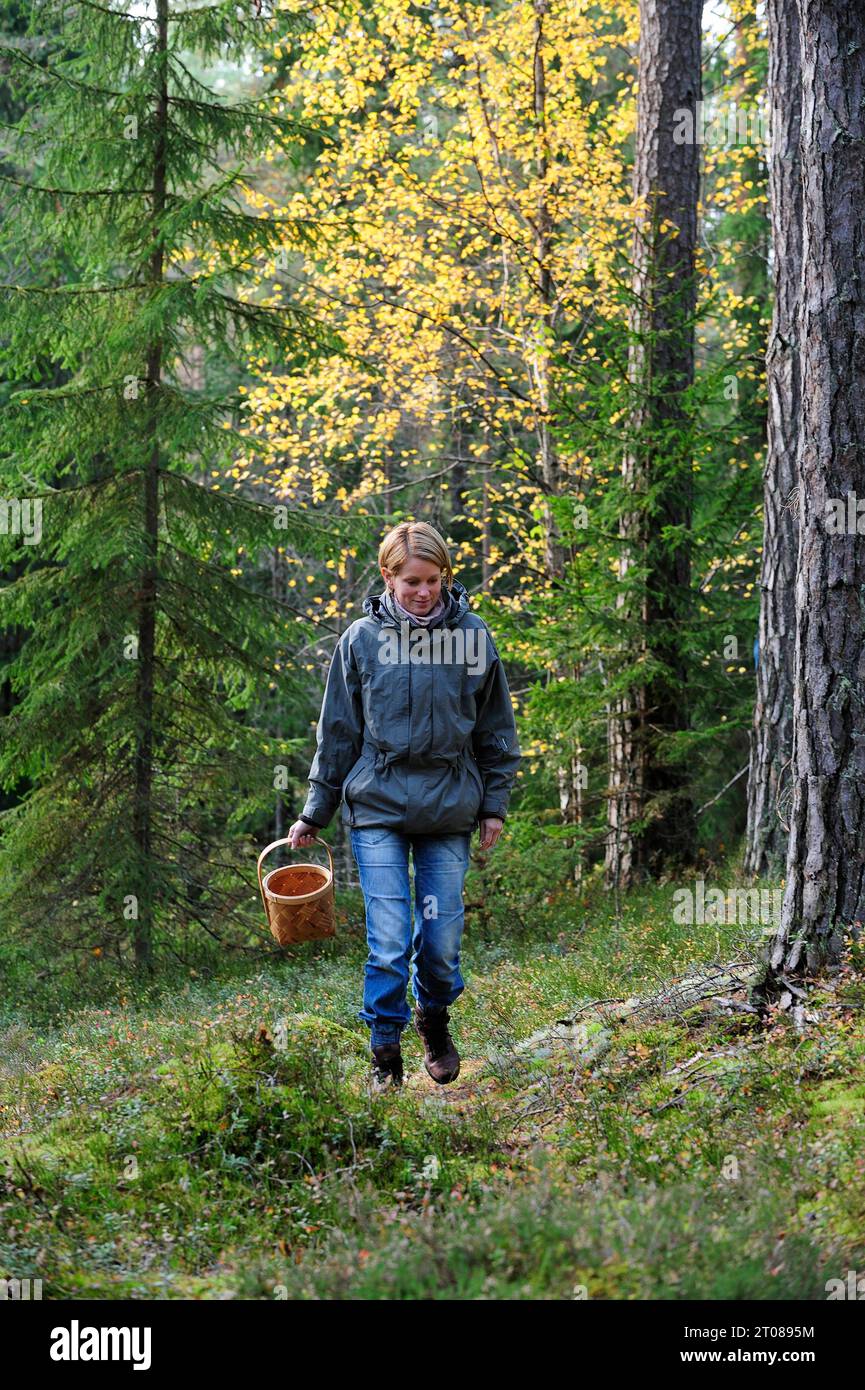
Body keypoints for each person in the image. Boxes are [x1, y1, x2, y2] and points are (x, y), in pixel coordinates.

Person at [286, 521, 521, 1092]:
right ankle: (384, 1055)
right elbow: (337, 732)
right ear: (388, 578)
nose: (424, 592)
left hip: (450, 805)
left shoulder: (472, 637)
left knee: (439, 943)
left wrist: (494, 804)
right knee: (389, 940)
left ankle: (433, 1019)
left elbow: (495, 728)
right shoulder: (362, 640)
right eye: (412, 581)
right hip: (378, 806)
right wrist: (317, 811)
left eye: (434, 581)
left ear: (446, 577)